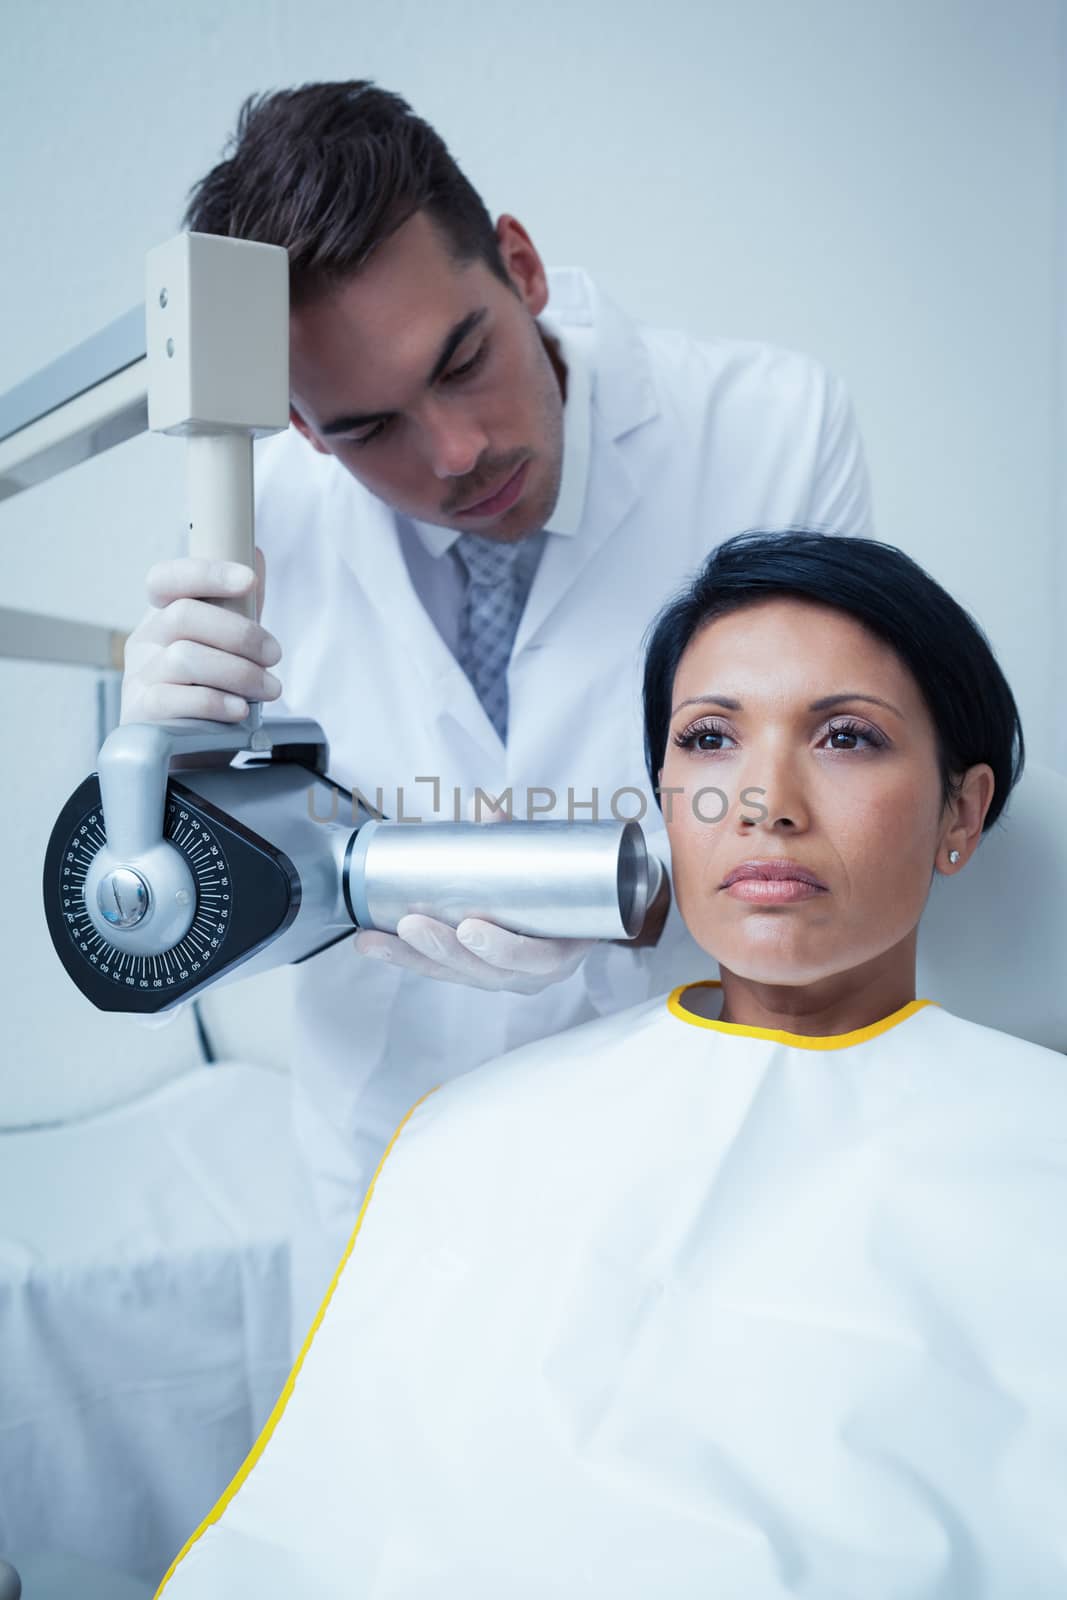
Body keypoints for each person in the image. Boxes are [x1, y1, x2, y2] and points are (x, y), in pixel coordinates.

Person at [156, 530, 1067, 1600]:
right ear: (665, 795)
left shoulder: (1032, 1147)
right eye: (710, 739)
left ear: (960, 812)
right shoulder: (476, 1134)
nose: (764, 802)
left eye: (846, 737)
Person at [119, 82, 873, 1331]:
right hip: (393, 1155)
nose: (453, 452)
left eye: (460, 360)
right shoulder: (252, 532)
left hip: (697, 1139)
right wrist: (171, 785)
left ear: (518, 266)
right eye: (367, 427)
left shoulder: (769, 431)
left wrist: (625, 897)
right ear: (303, 430)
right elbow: (208, 918)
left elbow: (846, 806)